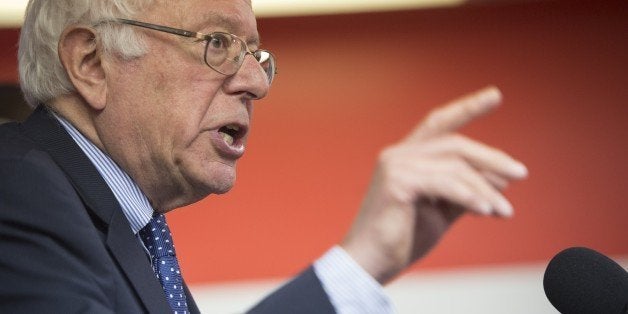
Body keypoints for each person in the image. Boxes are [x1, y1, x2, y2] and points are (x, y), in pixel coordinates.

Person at [0, 0, 528, 313]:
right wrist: (358, 263)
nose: (256, 81)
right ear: (91, 62)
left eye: (256, 54)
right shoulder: (16, 191)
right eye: (217, 42)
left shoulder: (135, 231)